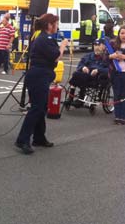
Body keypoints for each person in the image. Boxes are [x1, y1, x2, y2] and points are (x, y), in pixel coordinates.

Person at [15, 13, 69, 154]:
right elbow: (56, 57)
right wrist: (63, 46)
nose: (57, 27)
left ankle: (39, 137)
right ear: (49, 25)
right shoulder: (44, 39)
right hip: (38, 76)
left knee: (42, 107)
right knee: (36, 109)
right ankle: (22, 140)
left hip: (41, 76)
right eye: (55, 24)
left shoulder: (46, 38)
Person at [65, 38, 109, 107]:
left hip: (97, 78)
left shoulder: (107, 58)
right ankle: (72, 97)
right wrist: (83, 67)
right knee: (77, 74)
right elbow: (80, 65)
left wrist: (98, 70)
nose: (96, 47)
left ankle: (79, 98)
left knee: (77, 75)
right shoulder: (88, 56)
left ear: (104, 46)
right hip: (86, 75)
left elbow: (109, 69)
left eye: (98, 45)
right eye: (95, 45)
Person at [108, 25, 125, 125]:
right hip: (116, 73)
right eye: (122, 33)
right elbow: (104, 57)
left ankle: (123, 116)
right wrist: (111, 56)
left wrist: (123, 56)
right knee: (117, 94)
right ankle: (118, 116)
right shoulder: (112, 44)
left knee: (124, 95)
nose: (124, 35)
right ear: (118, 34)